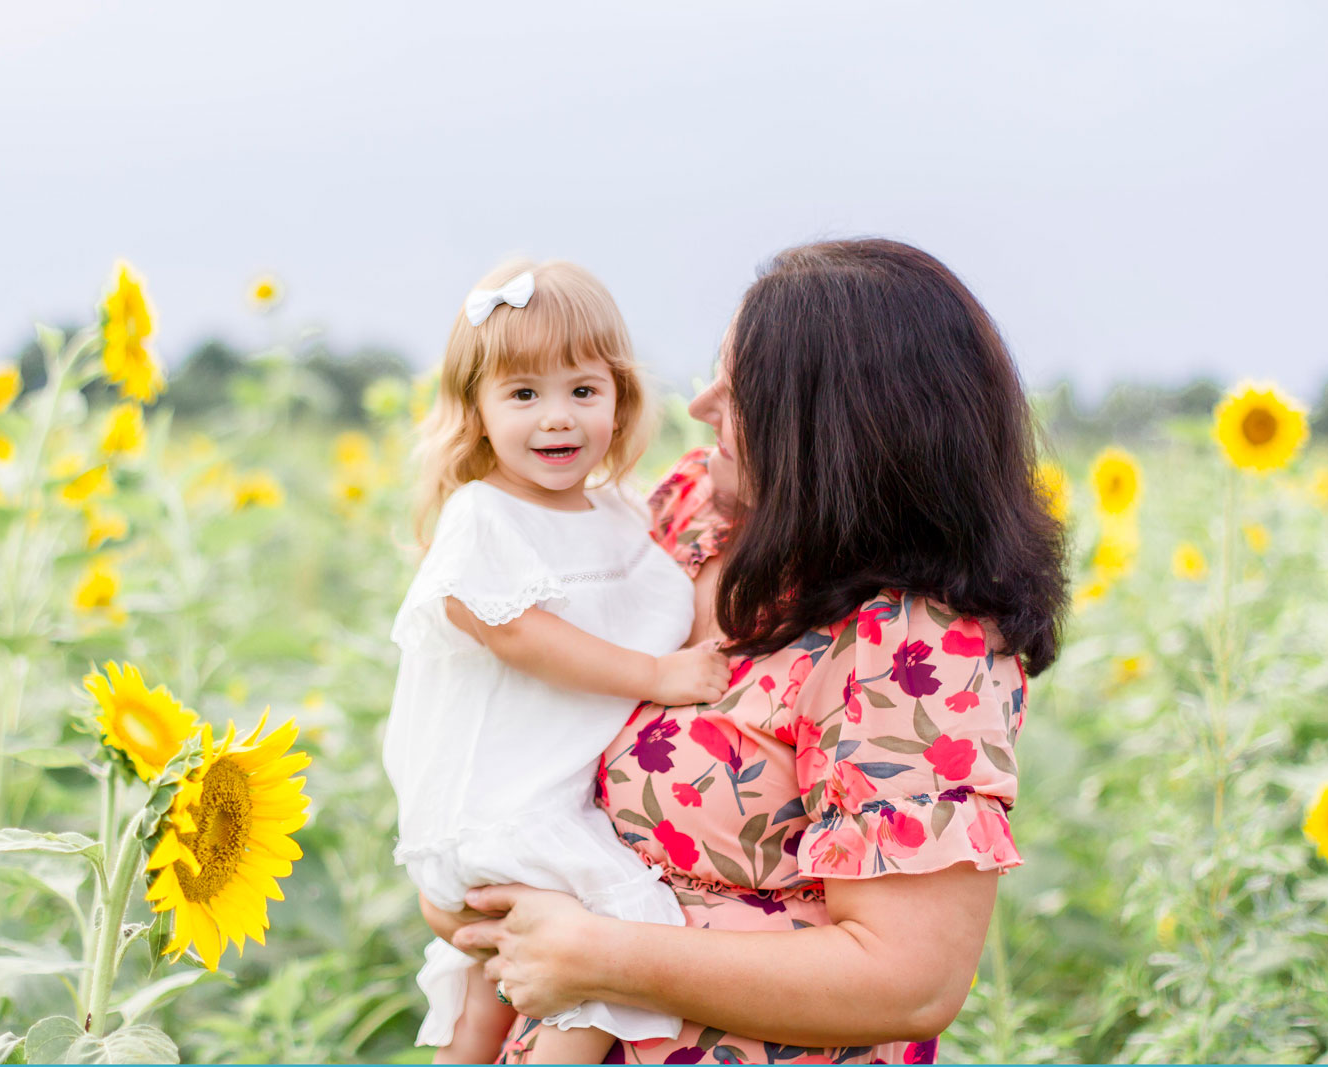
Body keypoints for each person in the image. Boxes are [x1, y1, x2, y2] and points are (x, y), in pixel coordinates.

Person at [422, 239, 1069, 1064]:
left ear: (835, 425)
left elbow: (910, 979)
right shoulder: (696, 507)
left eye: (740, 389)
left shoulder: (915, 649)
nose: (699, 405)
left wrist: (598, 954)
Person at [385, 259, 732, 1064]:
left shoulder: (616, 514)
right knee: (620, 935)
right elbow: (514, 631)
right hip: (501, 811)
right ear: (475, 408)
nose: (557, 419)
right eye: (523, 394)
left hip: (539, 801)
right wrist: (655, 678)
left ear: (620, 397)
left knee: (482, 1004)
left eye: (582, 391)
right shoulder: (485, 515)